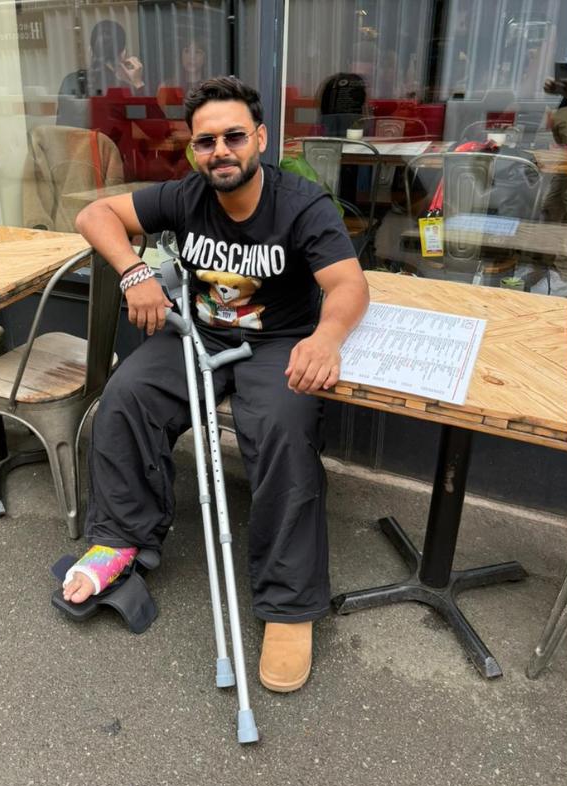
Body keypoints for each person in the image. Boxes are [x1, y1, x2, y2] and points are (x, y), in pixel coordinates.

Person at [68, 76, 369, 693]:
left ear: (260, 138)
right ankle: (120, 540)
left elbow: (348, 284)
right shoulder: (185, 195)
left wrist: (327, 337)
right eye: (206, 142)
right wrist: (133, 272)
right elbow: (93, 214)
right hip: (198, 331)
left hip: (279, 341)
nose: (220, 151)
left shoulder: (302, 205)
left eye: (233, 137)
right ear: (194, 150)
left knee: (282, 430)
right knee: (125, 396)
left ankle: (289, 603)